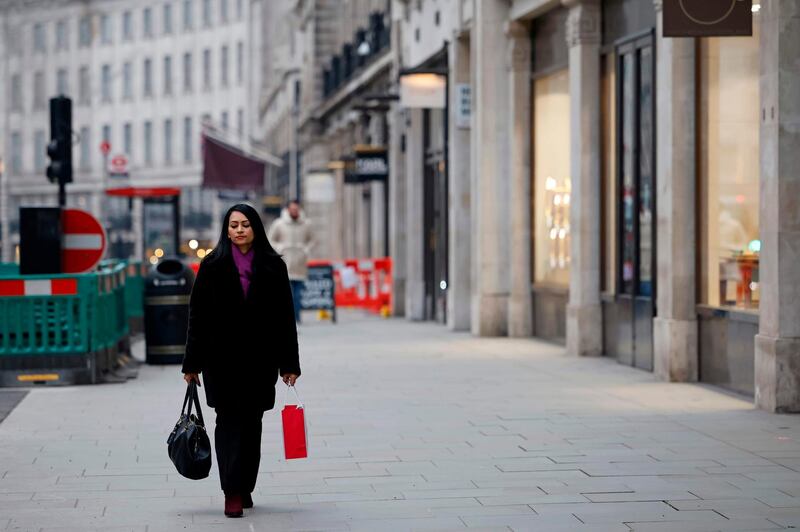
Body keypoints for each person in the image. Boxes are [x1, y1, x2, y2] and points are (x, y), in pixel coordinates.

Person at [182, 203, 301, 518]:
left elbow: (285, 319)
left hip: (261, 361)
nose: (238, 230)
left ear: (255, 228)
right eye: (233, 225)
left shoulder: (274, 266)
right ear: (226, 229)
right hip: (220, 361)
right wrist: (191, 364)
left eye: (244, 225)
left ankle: (245, 484)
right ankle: (231, 491)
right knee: (227, 423)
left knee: (252, 426)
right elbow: (198, 317)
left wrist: (289, 364)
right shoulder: (212, 265)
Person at [267, 200, 314, 323]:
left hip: (300, 263)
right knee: (286, 294)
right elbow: (270, 240)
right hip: (285, 263)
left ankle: (297, 317)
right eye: (292, 209)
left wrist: (306, 249)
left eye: (296, 209)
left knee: (298, 294)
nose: (294, 211)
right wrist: (279, 248)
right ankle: (288, 317)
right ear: (288, 209)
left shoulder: (306, 224)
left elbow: (313, 240)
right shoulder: (279, 224)